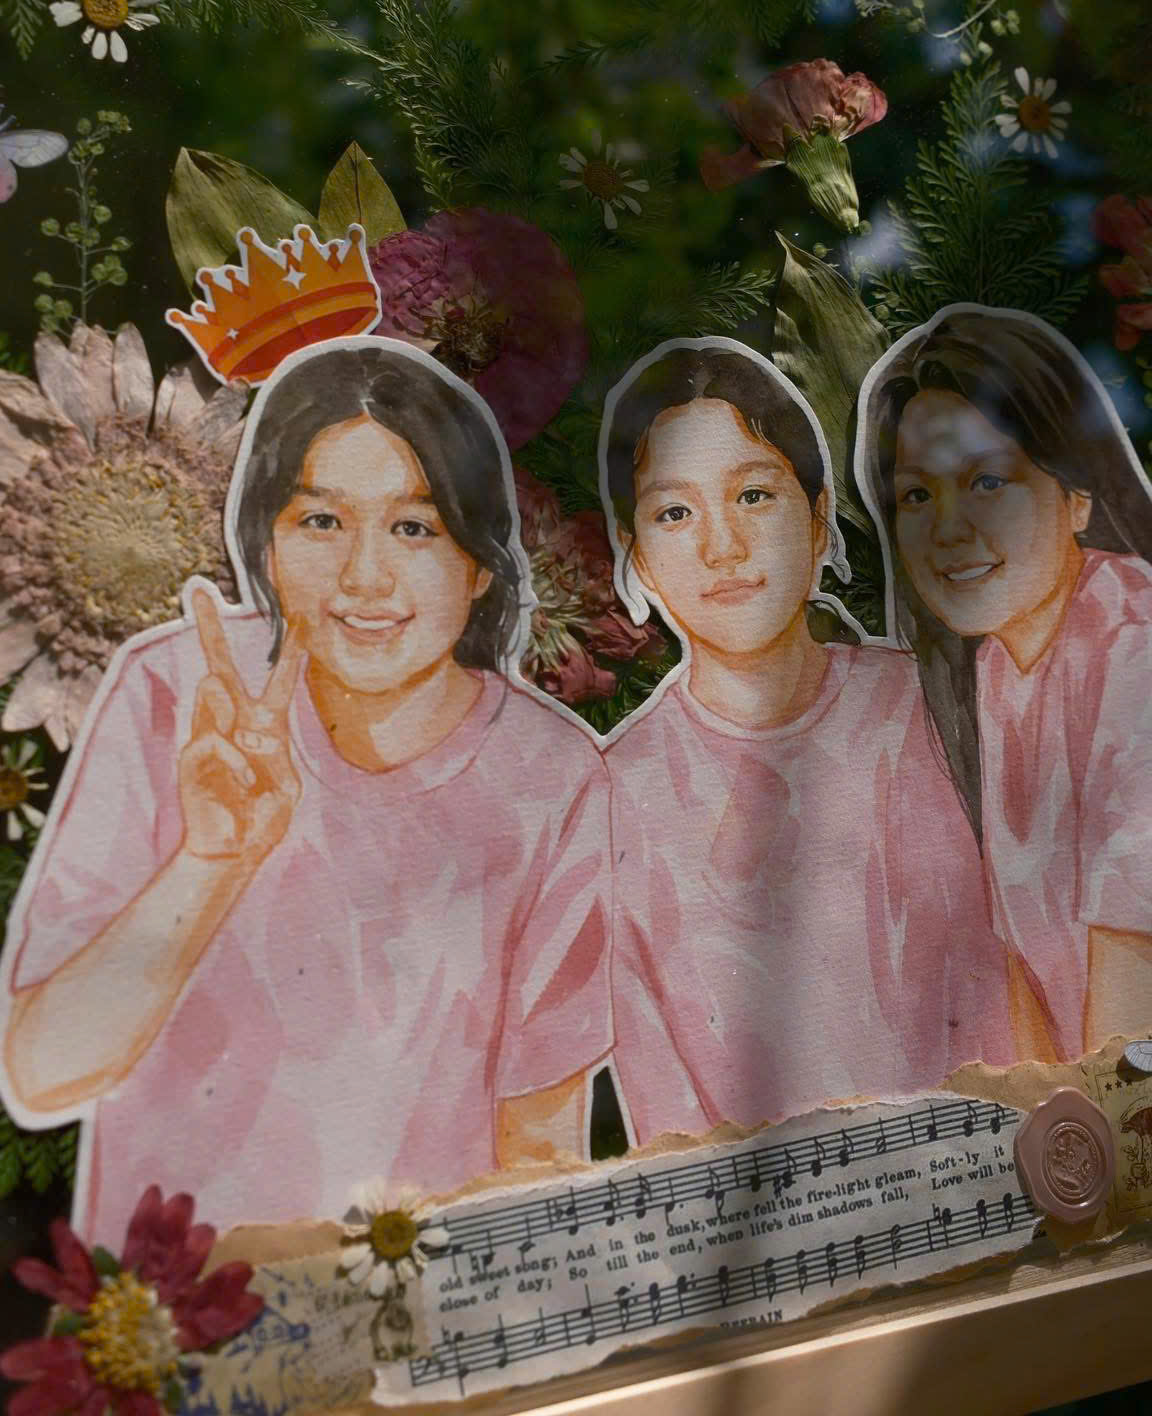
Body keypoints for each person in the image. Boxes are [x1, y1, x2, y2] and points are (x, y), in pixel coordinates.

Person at [0, 337, 612, 1245]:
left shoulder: (550, 774)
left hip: (414, 1299)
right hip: (173, 1301)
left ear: (480, 561)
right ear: (267, 543)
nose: (365, 577)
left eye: (415, 528)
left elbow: (543, 1148)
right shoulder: (176, 691)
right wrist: (211, 861)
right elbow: (42, 1071)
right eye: (321, 522)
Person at [598, 337, 1008, 1148]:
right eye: (675, 512)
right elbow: (665, 1117)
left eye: (754, 495)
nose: (722, 547)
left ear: (819, 522)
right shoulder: (613, 801)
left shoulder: (938, 706)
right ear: (636, 553)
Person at [854, 304, 1152, 1062]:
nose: (947, 530)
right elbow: (1026, 976)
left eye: (986, 480)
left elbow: (1131, 1020)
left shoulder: (1135, 644)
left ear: (1077, 495)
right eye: (917, 496)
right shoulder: (995, 665)